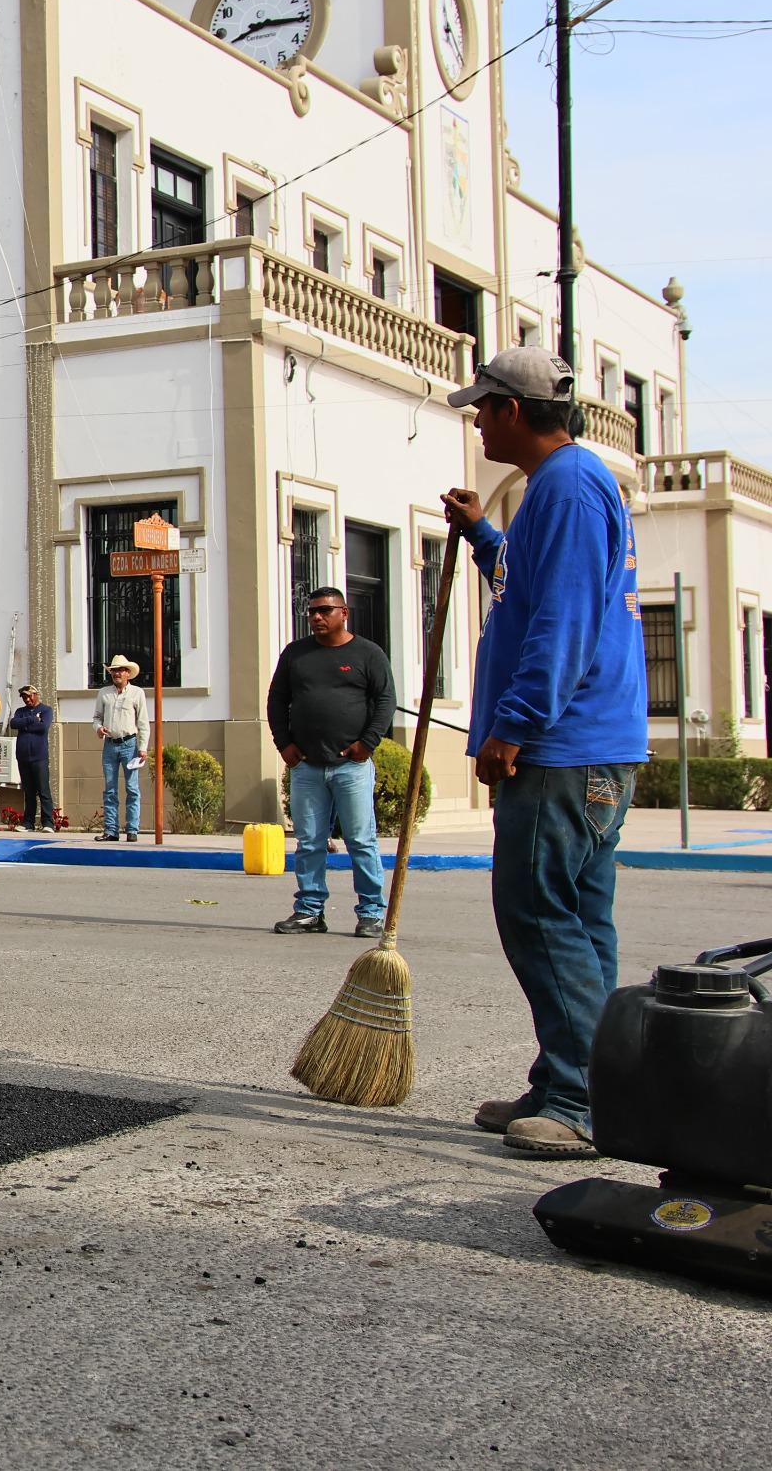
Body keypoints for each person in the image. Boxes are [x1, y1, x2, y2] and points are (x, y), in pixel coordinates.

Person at [442, 347, 647, 1161]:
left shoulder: (563, 486)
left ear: (514, 411)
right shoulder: (573, 486)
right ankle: (583, 1079)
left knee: (539, 915)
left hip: (563, 751)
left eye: (483, 408)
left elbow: (562, 623)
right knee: (580, 921)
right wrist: (484, 534)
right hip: (592, 749)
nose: (478, 421)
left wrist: (513, 725)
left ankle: (580, 1098)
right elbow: (528, 585)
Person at [266, 585, 396, 938]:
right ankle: (309, 910)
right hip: (307, 766)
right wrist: (284, 745)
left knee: (361, 840)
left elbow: (385, 701)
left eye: (324, 610)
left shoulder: (368, 654)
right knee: (309, 842)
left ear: (344, 613)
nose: (316, 617)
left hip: (351, 767)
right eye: (311, 612)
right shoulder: (296, 654)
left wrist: (367, 744)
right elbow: (277, 700)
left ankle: (370, 912)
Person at [94, 655, 147, 840]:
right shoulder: (104, 693)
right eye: (114, 670)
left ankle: (132, 829)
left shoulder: (137, 693)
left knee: (132, 788)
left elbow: (143, 722)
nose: (117, 673)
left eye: (120, 670)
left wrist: (143, 747)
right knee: (110, 789)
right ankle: (111, 830)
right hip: (110, 744)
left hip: (130, 744)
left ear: (128, 673)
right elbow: (97, 717)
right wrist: (99, 729)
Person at [8, 685, 55, 832]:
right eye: (24, 697)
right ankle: (28, 823)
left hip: (39, 756)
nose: (27, 699)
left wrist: (25, 724)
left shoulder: (46, 710)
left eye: (29, 696)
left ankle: (48, 823)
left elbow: (43, 727)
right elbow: (14, 723)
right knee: (28, 791)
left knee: (43, 790)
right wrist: (32, 719)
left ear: (36, 695)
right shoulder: (20, 711)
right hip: (23, 756)